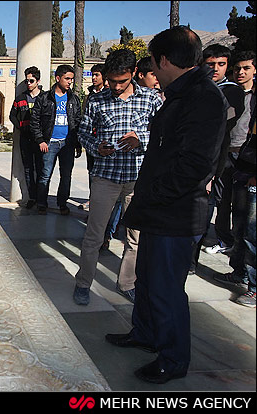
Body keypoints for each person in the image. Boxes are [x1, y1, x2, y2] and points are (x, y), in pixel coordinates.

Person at [106, 26, 228, 384]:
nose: (153, 72)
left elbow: (195, 164)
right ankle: (145, 333)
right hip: (157, 208)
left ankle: (173, 359)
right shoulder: (181, 94)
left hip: (175, 212)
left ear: (163, 60)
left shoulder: (203, 98)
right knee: (147, 279)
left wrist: (156, 195)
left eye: (153, 64)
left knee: (166, 288)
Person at [74, 49, 163, 305]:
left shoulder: (151, 99)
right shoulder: (96, 100)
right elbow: (83, 132)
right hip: (105, 177)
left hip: (138, 179)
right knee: (94, 235)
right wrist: (96, 147)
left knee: (135, 237)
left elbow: (164, 133)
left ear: (134, 73)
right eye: (111, 81)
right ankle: (83, 283)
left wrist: (140, 139)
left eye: (121, 81)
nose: (115, 86)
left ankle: (127, 283)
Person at [189, 44, 245, 272]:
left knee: (204, 212)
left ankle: (191, 261)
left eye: (221, 64)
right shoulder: (195, 87)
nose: (215, 68)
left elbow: (223, 121)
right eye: (210, 64)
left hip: (213, 162)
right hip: (189, 158)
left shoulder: (232, 92)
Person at [213, 50, 256, 306]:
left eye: (246, 68)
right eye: (238, 68)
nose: (241, 72)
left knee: (251, 228)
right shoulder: (229, 93)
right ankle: (238, 271)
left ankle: (253, 284)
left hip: (249, 165)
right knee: (237, 221)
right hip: (231, 160)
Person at [30, 64, 82, 215]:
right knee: (45, 175)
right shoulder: (44, 98)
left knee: (66, 176)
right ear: (58, 78)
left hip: (67, 144)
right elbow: (35, 121)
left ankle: (62, 203)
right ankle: (41, 203)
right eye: (67, 78)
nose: (70, 82)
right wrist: (40, 140)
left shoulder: (74, 99)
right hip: (50, 143)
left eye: (71, 79)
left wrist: (77, 144)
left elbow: (77, 122)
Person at [10, 66, 43, 209]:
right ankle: (32, 197)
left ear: (38, 81)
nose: (28, 83)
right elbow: (12, 115)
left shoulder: (44, 97)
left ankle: (42, 199)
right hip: (25, 138)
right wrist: (20, 126)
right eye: (27, 81)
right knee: (28, 169)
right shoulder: (20, 98)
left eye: (31, 81)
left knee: (41, 169)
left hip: (40, 139)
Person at [79, 63, 106, 213]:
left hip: (103, 139)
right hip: (92, 140)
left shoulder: (108, 93)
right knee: (92, 171)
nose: (94, 78)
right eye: (92, 75)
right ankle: (92, 198)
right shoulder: (90, 95)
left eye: (97, 75)